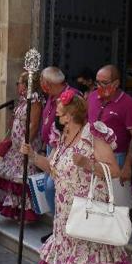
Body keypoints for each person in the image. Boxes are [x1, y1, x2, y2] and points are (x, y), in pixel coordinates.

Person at [22, 91, 132, 264]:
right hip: (64, 213)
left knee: (86, 258)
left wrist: (87, 163)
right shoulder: (62, 136)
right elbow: (54, 169)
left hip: (87, 209)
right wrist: (33, 156)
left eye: (59, 109)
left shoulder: (92, 134)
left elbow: (113, 170)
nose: (56, 112)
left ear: (71, 112)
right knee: (67, 258)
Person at [0, 70, 42, 222]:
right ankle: (15, 210)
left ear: (26, 85)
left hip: (26, 144)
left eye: (19, 83)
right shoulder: (23, 100)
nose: (17, 85)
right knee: (13, 176)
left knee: (23, 176)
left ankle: (25, 212)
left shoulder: (35, 100)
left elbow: (34, 124)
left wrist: (26, 142)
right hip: (15, 144)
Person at [87, 64, 132, 186]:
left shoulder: (129, 104)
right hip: (91, 154)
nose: (99, 86)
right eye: (97, 82)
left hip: (116, 158)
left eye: (104, 83)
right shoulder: (92, 97)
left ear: (116, 84)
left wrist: (127, 165)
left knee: (114, 200)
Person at [39, 67, 77, 218]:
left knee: (51, 186)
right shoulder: (51, 96)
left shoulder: (72, 97)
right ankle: (57, 224)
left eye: (42, 81)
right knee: (48, 186)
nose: (41, 84)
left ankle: (62, 222)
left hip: (63, 148)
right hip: (50, 146)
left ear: (48, 83)